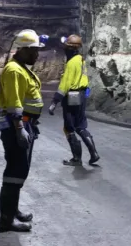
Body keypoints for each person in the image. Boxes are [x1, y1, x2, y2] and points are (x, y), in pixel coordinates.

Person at [0, 29, 45, 232]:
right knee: (15, 172)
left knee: (20, 170)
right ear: (23, 50)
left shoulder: (21, 68)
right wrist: (20, 128)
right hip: (18, 126)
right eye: (33, 50)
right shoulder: (14, 70)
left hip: (26, 124)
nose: (37, 54)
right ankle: (6, 221)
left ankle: (12, 210)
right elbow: (15, 103)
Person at [49, 34, 100, 166]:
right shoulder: (81, 60)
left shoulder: (71, 62)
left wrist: (55, 101)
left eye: (66, 47)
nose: (65, 49)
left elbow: (65, 83)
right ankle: (94, 153)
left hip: (72, 95)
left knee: (69, 127)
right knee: (81, 126)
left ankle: (77, 159)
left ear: (70, 49)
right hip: (82, 94)